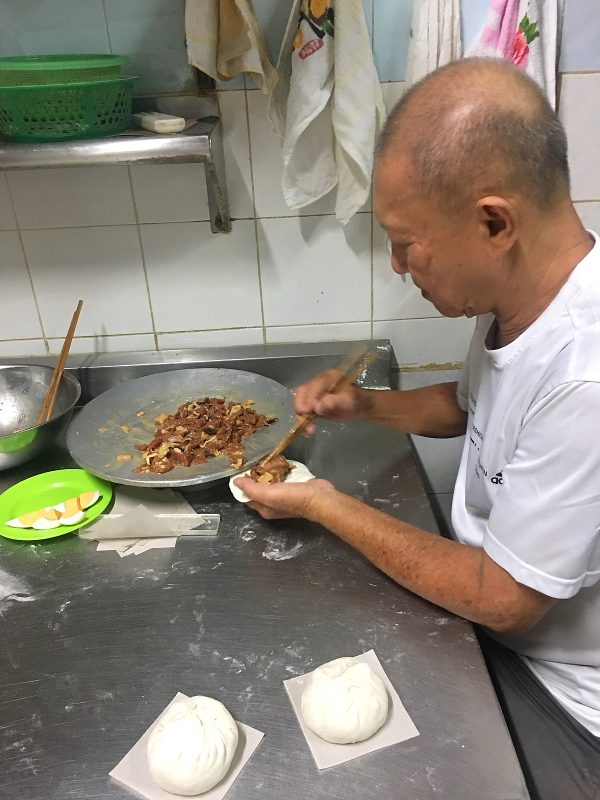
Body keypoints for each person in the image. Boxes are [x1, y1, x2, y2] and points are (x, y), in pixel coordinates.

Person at [234, 58, 600, 799]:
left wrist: (324, 504)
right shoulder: (525, 299)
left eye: (407, 243)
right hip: (500, 637)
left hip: (563, 700)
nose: (399, 267)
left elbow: (504, 597)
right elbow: (471, 406)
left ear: (494, 222)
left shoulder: (586, 376)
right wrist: (365, 405)